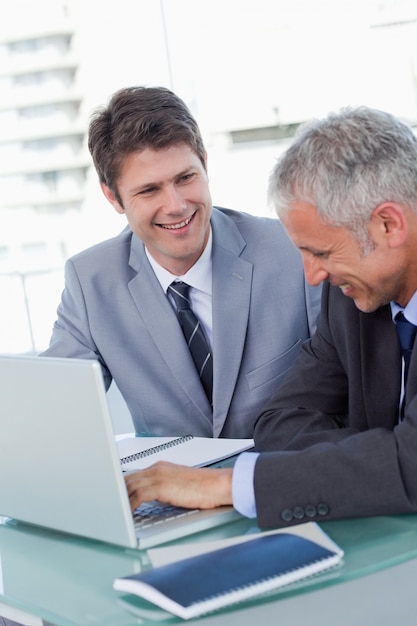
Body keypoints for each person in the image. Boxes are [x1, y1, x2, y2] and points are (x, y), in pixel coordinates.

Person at [124, 105, 417, 528]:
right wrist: (381, 461)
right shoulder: (349, 297)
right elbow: (279, 422)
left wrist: (227, 486)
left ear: (388, 225)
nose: (313, 276)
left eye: (322, 253)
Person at [41, 86, 320, 438]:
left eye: (185, 178)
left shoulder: (291, 252)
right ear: (113, 197)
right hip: (167, 492)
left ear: (204, 163)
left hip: (283, 485)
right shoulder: (90, 283)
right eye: (149, 190)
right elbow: (53, 413)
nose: (175, 205)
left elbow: (346, 395)